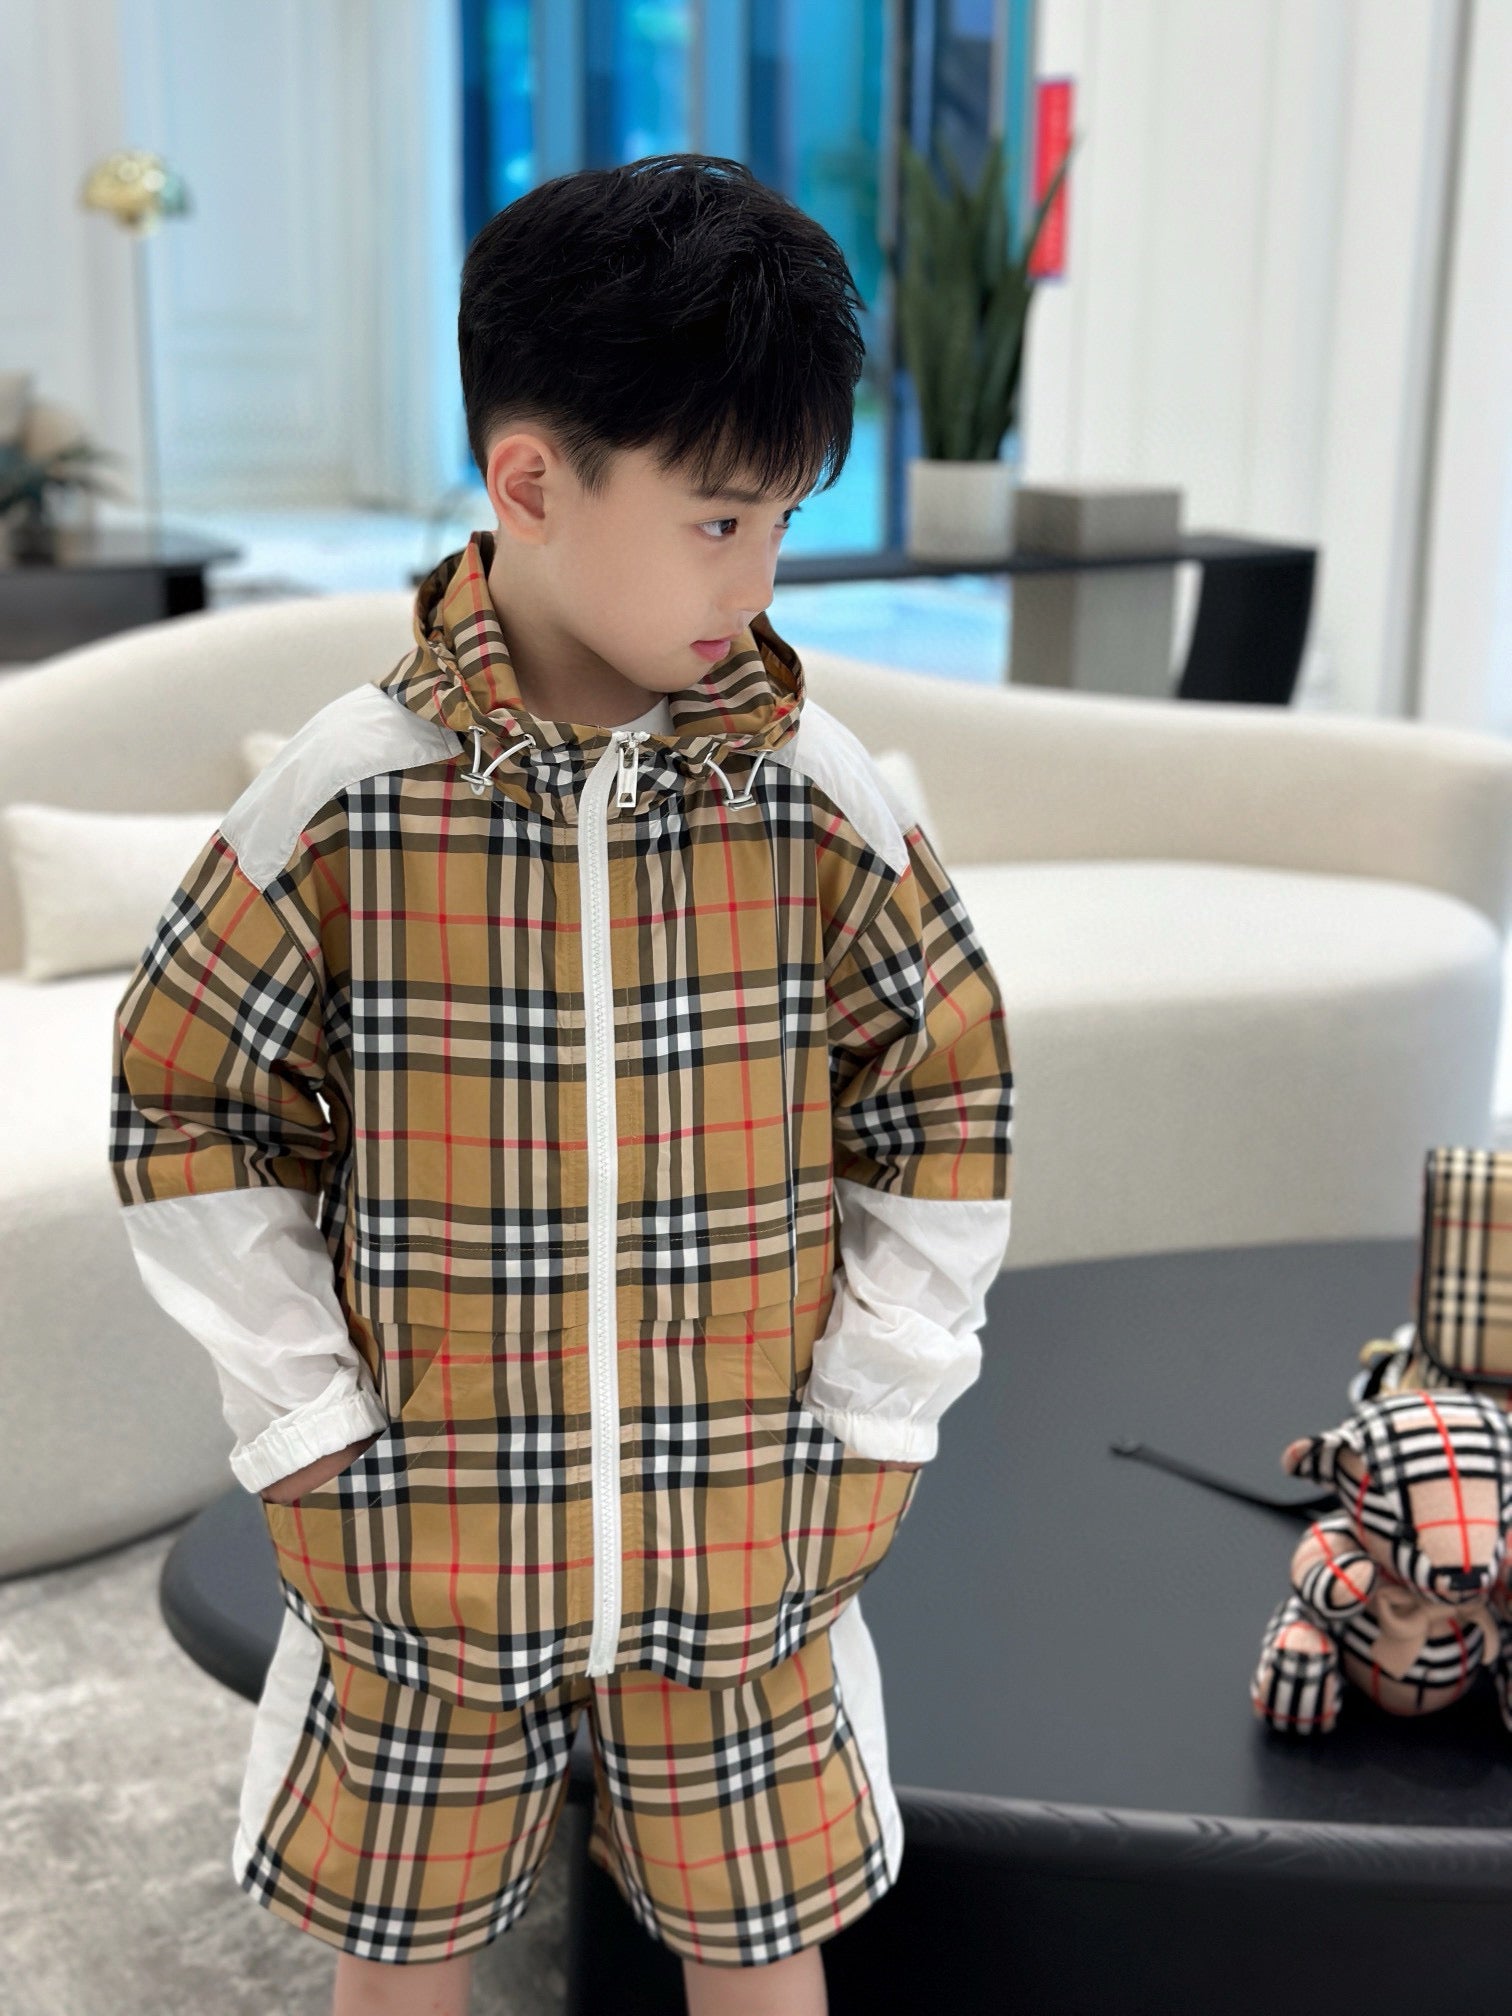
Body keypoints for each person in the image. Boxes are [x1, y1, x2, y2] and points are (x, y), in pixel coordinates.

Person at [108, 153, 1014, 2016]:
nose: (758, 581)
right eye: (718, 521)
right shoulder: (345, 802)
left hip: (745, 1545)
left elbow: (946, 1098)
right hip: (425, 1548)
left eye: (781, 523)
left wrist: (874, 1412)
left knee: (762, 1951)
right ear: (530, 482)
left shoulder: (812, 797)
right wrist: (311, 1425)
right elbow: (188, 1105)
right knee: (402, 1961)